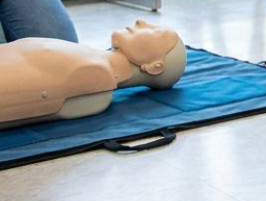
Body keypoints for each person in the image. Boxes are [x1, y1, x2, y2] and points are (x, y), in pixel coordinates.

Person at [0, 21, 185, 128]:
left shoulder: (95, 75)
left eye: (155, 31)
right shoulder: (92, 62)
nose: (140, 22)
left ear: (154, 66)